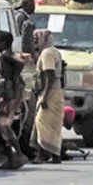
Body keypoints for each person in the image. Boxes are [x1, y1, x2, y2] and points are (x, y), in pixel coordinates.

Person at [0, 31, 29, 170]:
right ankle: (12, 157)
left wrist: (14, 77)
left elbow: (20, 63)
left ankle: (18, 155)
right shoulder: (6, 55)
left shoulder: (6, 55)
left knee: (4, 125)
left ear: (4, 43)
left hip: (9, 93)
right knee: (2, 126)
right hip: (9, 91)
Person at [30, 29, 66, 164]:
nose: (35, 40)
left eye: (37, 37)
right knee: (52, 125)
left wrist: (45, 97)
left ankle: (41, 155)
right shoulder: (53, 51)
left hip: (50, 93)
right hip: (55, 92)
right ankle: (55, 155)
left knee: (42, 124)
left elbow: (49, 75)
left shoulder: (47, 53)